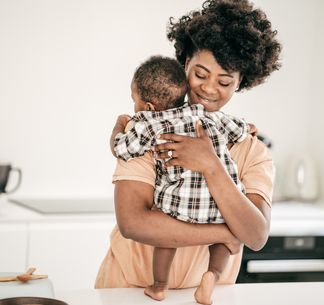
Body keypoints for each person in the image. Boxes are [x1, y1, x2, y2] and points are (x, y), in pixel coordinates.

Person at [96, 1, 281, 305]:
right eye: (200, 73)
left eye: (224, 82)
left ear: (240, 83)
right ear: (184, 64)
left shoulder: (252, 149)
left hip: (208, 298)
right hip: (128, 291)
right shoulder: (153, 129)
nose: (209, 89)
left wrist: (211, 165)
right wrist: (224, 233)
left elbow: (256, 235)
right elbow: (132, 222)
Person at [113, 55, 249, 302]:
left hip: (178, 202)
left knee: (165, 241)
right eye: (200, 75)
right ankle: (213, 276)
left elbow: (122, 149)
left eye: (135, 101)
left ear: (149, 106)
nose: (134, 107)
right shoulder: (202, 113)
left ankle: (158, 286)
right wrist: (248, 129)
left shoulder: (147, 123)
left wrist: (118, 127)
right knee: (223, 242)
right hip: (218, 203)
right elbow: (238, 128)